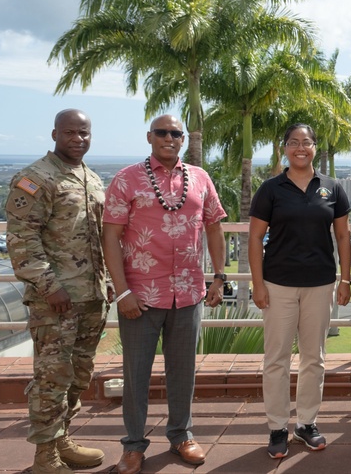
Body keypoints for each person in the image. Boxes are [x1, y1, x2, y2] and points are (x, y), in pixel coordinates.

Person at [102, 115, 227, 474]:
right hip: (140, 295)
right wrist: (122, 291)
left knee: (183, 371)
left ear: (183, 139)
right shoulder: (127, 179)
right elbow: (110, 236)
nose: (169, 138)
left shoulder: (200, 178)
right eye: (162, 132)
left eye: (176, 133)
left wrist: (218, 277)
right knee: (136, 374)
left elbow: (214, 227)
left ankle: (181, 435)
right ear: (149, 137)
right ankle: (133, 446)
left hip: (188, 292)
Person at [6, 109, 109, 474]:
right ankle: (44, 456)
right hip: (56, 301)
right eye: (70, 132)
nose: (78, 139)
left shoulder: (91, 178)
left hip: (91, 298)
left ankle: (62, 438)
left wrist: (107, 286)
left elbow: (100, 239)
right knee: (51, 378)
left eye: (84, 132)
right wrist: (50, 287)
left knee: (79, 374)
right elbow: (22, 241)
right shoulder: (35, 178)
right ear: (54, 134)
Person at [248, 123, 351, 458]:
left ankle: (306, 423)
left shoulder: (332, 188)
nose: (300, 148)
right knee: (276, 359)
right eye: (293, 142)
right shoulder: (271, 188)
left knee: (314, 359)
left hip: (320, 284)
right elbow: (253, 238)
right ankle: (278, 427)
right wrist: (258, 283)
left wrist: (346, 279)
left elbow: (342, 237)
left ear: (314, 147)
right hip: (277, 285)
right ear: (285, 148)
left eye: (306, 142)